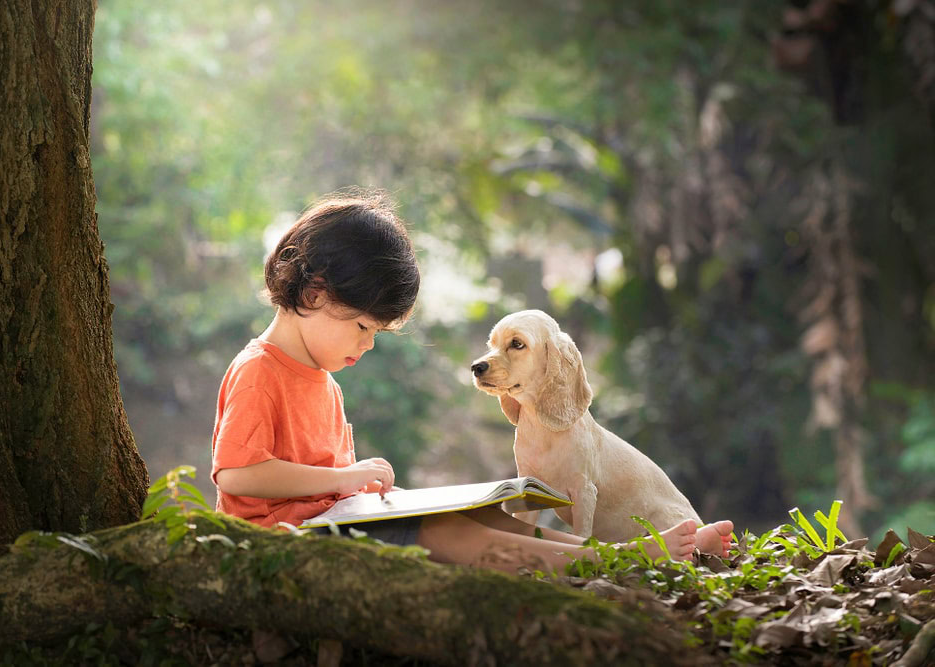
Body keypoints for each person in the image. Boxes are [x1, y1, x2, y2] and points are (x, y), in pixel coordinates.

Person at [210, 190, 733, 577]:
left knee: (492, 518)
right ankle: (617, 563)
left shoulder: (323, 381)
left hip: (334, 523)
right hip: (282, 546)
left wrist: (356, 483)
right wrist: (345, 479)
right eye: (364, 327)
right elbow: (236, 475)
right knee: (446, 531)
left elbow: (326, 482)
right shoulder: (260, 371)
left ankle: (613, 555)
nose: (366, 345)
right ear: (316, 291)